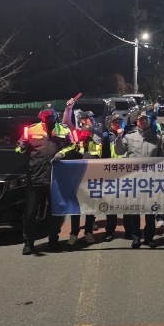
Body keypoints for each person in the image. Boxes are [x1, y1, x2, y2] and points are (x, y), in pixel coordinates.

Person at [17, 103, 76, 255]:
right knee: (30, 212)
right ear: (41, 114)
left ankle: (53, 240)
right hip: (35, 176)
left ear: (56, 114)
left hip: (56, 176)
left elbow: (73, 145)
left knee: (55, 211)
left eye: (52, 114)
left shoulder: (64, 129)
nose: (49, 116)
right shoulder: (31, 129)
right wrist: (22, 146)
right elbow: (18, 150)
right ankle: (28, 243)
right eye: (46, 114)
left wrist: (63, 153)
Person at [114, 110, 164, 249]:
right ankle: (136, 237)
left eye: (146, 119)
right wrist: (119, 137)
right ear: (137, 121)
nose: (143, 121)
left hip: (151, 180)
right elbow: (119, 151)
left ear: (150, 121)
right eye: (141, 119)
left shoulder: (157, 138)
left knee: (150, 210)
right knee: (135, 210)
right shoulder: (129, 137)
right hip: (134, 180)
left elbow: (163, 158)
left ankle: (149, 238)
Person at [63, 107, 107, 248]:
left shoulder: (97, 133)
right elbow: (66, 122)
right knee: (76, 206)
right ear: (82, 121)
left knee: (90, 204)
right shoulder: (75, 132)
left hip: (93, 173)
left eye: (93, 118)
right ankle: (74, 233)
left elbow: (103, 150)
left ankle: (88, 231)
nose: (92, 120)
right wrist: (68, 109)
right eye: (89, 118)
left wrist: (94, 135)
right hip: (78, 174)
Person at [103, 113, 127, 242]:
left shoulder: (129, 135)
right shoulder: (106, 136)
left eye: (120, 122)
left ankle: (129, 230)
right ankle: (110, 231)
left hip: (127, 174)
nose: (118, 124)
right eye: (116, 122)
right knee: (111, 206)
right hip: (111, 174)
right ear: (111, 124)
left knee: (127, 205)